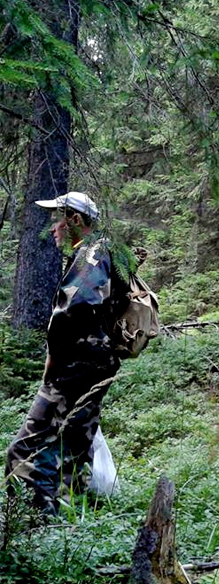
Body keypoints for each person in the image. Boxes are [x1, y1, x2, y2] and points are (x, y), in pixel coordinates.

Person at [6, 192, 129, 516]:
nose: (54, 229)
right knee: (75, 446)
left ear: (75, 220)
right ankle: (70, 528)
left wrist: (53, 359)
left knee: (26, 451)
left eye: (58, 220)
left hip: (76, 366)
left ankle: (32, 527)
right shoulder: (106, 251)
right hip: (98, 363)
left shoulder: (92, 253)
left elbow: (77, 307)